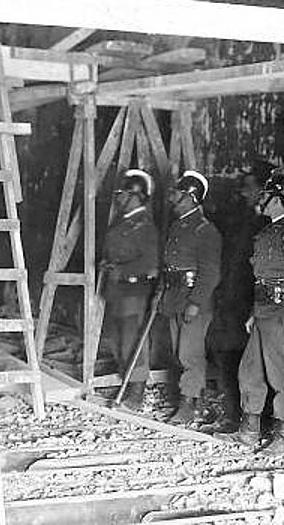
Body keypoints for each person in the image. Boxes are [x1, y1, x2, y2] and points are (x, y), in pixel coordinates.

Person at [220, 169, 284, 452]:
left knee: (281, 374)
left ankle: (283, 435)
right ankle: (249, 430)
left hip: (282, 312)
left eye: (265, 195)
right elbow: (262, 277)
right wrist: (253, 311)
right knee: (249, 370)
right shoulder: (267, 231)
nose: (260, 199)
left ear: (277, 198)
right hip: (263, 310)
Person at [204, 164, 266, 433]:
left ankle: (255, 420)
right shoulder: (241, 220)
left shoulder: (270, 225)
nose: (243, 193)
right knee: (225, 354)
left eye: (249, 187)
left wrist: (255, 306)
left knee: (251, 364)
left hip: (251, 303)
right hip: (231, 300)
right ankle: (231, 414)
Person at [159, 170, 222, 425]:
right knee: (177, 351)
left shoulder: (205, 230)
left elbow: (211, 272)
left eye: (180, 195)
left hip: (194, 298)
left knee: (189, 354)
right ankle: (198, 403)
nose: (174, 200)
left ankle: (188, 407)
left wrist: (196, 303)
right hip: (175, 295)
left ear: (192, 198)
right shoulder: (179, 225)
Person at [100, 168, 161, 411]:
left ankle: (136, 393)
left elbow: (150, 263)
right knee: (118, 340)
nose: (119, 198)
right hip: (118, 291)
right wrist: (108, 264)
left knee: (132, 340)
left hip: (133, 291)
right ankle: (126, 382)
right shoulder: (123, 222)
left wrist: (121, 270)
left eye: (123, 194)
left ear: (137, 196)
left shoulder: (144, 225)